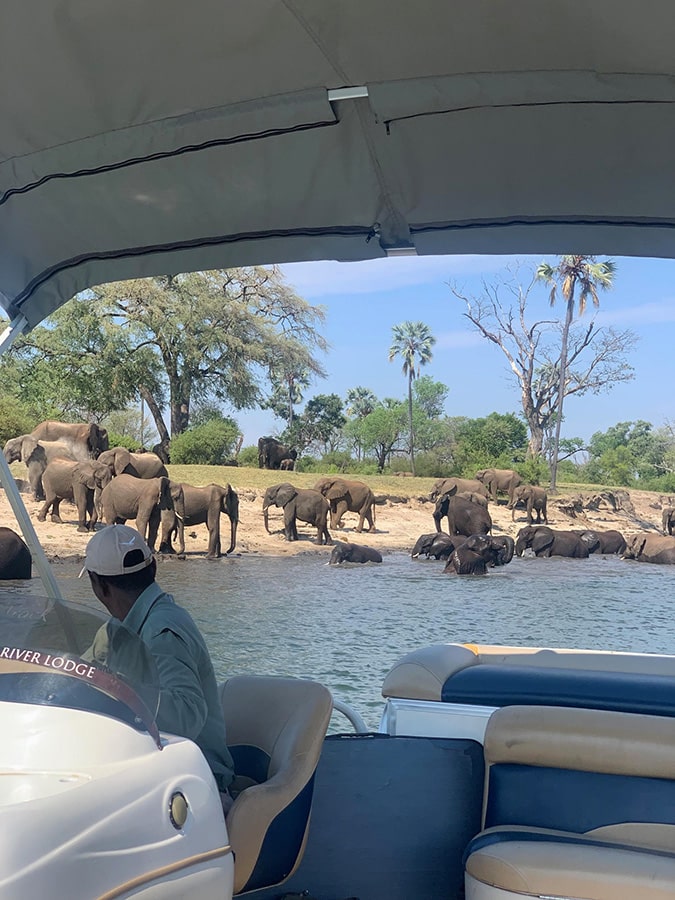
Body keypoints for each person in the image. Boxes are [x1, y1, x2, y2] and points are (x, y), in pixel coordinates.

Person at [80, 523, 235, 813]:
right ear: (153, 568)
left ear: (99, 586)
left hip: (194, 782)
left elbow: (188, 715)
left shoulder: (162, 632)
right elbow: (81, 674)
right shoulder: (115, 629)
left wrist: (119, 689)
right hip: (146, 766)